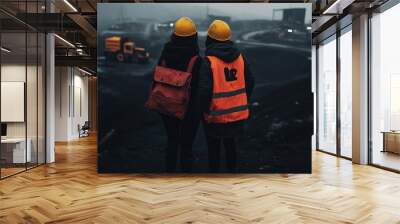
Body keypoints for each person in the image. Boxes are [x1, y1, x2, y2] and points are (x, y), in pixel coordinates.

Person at [198, 20, 255, 173]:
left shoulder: (209, 62)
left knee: (214, 149)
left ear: (210, 38)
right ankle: (232, 175)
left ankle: (215, 180)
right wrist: (241, 101)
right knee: (231, 146)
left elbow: (204, 91)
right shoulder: (240, 58)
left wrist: (203, 111)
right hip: (236, 115)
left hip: (215, 116)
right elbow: (250, 81)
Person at [157, 17, 202, 172]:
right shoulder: (196, 59)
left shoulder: (165, 53)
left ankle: (169, 172)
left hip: (166, 105)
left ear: (174, 35)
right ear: (194, 37)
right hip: (189, 108)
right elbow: (198, 88)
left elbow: (157, 75)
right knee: (186, 145)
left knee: (172, 141)